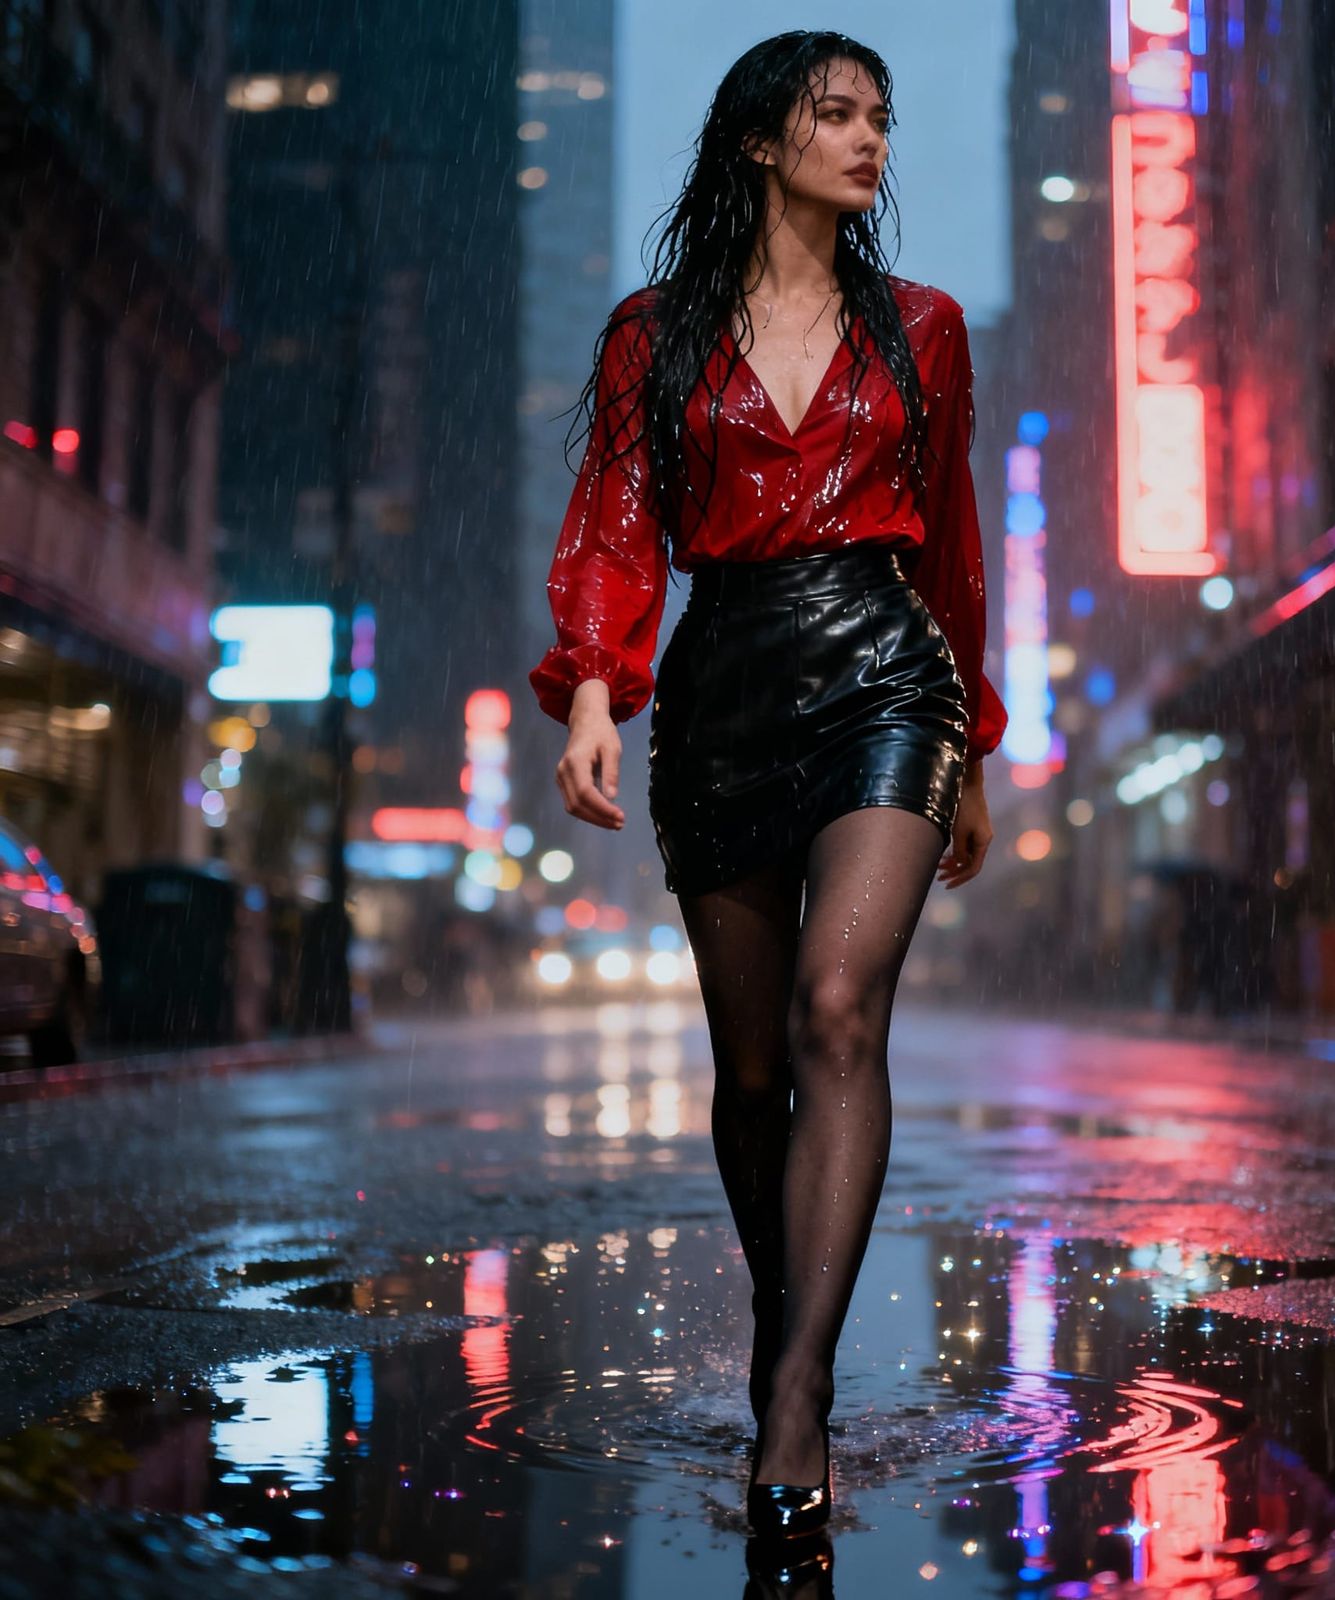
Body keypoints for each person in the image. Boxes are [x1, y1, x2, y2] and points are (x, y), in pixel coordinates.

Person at [528, 32, 1005, 1540]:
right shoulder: (651, 333)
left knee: (837, 1012)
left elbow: (954, 548)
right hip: (725, 691)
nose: (871, 139)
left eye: (883, 116)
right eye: (837, 114)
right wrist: (597, 686)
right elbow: (616, 519)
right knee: (750, 1080)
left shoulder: (923, 328)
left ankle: (794, 1397)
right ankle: (782, 1317)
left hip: (885, 672)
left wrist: (971, 745)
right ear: (758, 142)